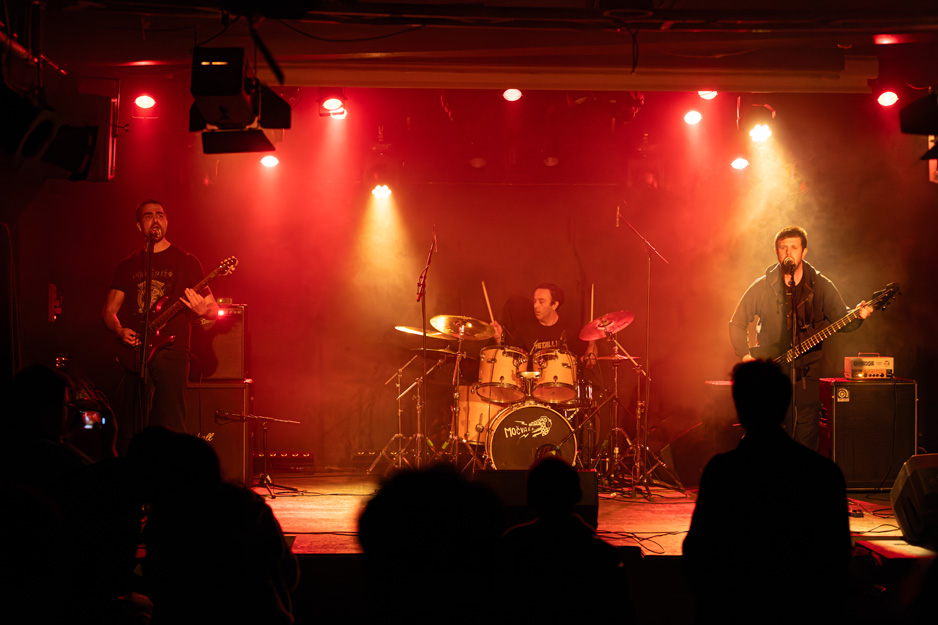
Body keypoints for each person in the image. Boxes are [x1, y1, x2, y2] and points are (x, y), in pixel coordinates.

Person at [682, 360, 851, 625]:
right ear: (786, 404)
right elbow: (837, 563)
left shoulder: (722, 472)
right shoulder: (824, 474)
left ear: (739, 407)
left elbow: (697, 554)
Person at [728, 226, 872, 450]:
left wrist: (858, 315)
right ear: (776, 252)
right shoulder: (762, 286)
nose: (788, 252)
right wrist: (746, 357)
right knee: (764, 441)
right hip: (770, 376)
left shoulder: (820, 285)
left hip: (806, 377)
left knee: (804, 442)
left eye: (794, 247)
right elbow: (736, 323)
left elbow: (842, 319)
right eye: (783, 248)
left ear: (804, 251)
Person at [102, 199, 219, 434]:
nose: (155, 219)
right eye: (148, 216)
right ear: (139, 226)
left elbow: (213, 309)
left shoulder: (186, 261)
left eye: (160, 215)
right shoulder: (127, 265)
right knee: (134, 426)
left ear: (167, 222)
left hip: (173, 353)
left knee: (172, 424)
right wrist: (120, 330)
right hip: (136, 354)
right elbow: (108, 312)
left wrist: (202, 310)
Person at [491, 283, 598, 364]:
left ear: (554, 305)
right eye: (535, 301)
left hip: (565, 384)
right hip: (534, 385)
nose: (535, 306)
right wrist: (499, 340)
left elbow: (588, 362)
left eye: (541, 302)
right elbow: (509, 360)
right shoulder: (524, 329)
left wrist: (592, 343)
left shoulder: (571, 328)